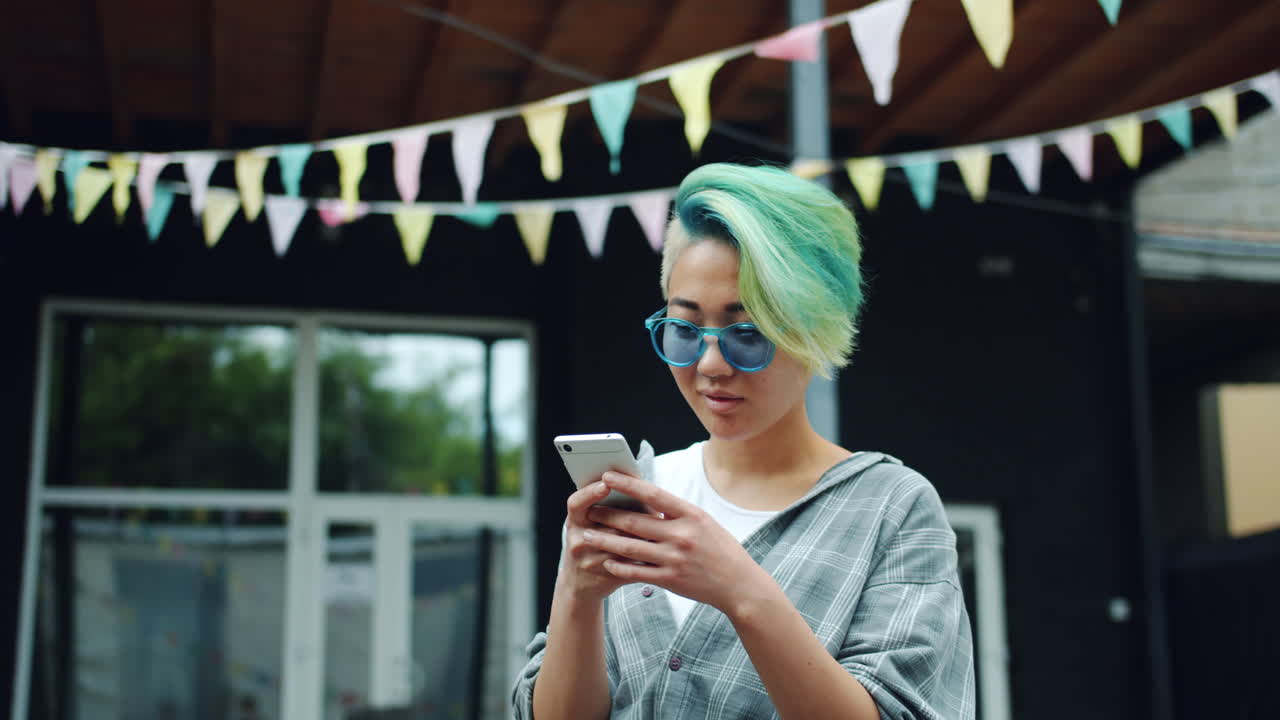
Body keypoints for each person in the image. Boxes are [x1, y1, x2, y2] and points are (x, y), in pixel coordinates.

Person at [512, 163, 975, 719]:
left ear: (815, 330)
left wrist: (741, 591)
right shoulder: (642, 488)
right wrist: (576, 594)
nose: (710, 364)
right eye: (685, 329)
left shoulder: (892, 509)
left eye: (748, 334)